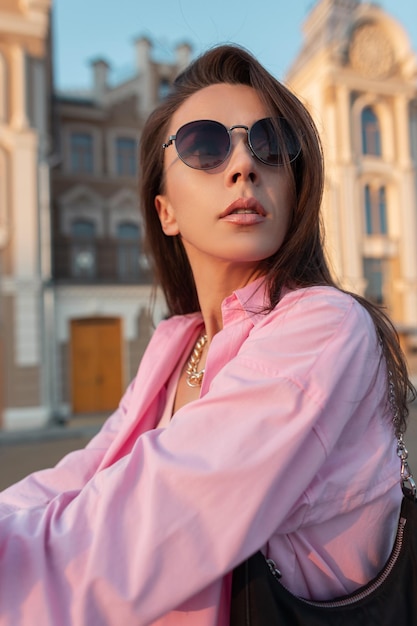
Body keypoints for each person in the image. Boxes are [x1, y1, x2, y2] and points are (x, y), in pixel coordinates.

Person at [0, 44, 415, 626]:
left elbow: (144, 523)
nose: (244, 164)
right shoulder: (176, 346)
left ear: (295, 190)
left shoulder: (323, 325)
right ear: (164, 210)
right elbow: (87, 472)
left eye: (271, 144)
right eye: (204, 145)